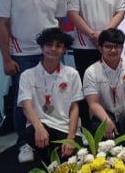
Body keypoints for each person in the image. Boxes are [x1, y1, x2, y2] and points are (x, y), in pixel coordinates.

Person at [0, 0, 67, 158]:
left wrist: (57, 49)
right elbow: (2, 25)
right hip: (22, 55)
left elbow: (59, 23)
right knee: (23, 99)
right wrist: (6, 58)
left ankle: (53, 136)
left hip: (52, 52)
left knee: (54, 97)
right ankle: (23, 143)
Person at [17, 28, 82, 163]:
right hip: (42, 127)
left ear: (64, 49)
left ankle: (52, 156)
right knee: (30, 132)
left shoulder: (72, 74)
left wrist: (70, 138)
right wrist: (39, 128)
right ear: (41, 47)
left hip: (65, 128)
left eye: (58, 46)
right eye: (49, 45)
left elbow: (74, 108)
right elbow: (26, 107)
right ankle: (46, 158)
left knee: (71, 160)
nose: (53, 49)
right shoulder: (27, 75)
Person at [82, 29, 125, 138]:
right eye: (108, 46)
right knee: (99, 127)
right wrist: (107, 120)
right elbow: (93, 104)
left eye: (117, 46)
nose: (113, 50)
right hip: (103, 115)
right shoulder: (91, 71)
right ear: (100, 48)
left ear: (122, 48)